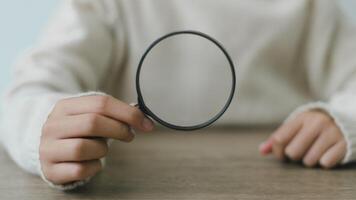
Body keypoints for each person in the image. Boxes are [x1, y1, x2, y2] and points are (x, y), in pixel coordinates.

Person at [1, 0, 355, 190]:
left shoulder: (312, 7)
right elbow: (25, 92)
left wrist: (344, 119)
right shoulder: (103, 5)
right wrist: (43, 126)